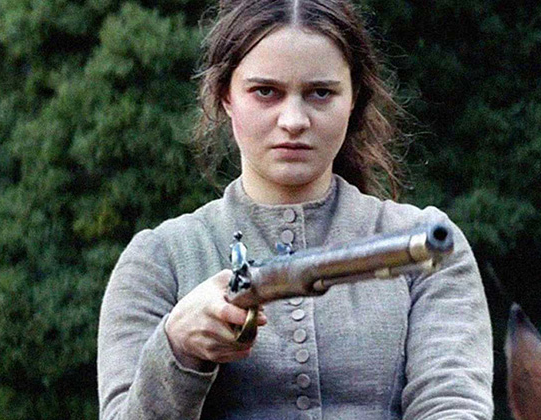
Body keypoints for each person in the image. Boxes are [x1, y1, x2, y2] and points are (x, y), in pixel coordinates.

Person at [97, 0, 493, 418]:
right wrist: (177, 348)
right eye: (265, 92)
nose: (293, 120)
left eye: (320, 93)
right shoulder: (158, 259)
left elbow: (451, 404)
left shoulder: (425, 243)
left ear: (354, 97)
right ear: (225, 95)